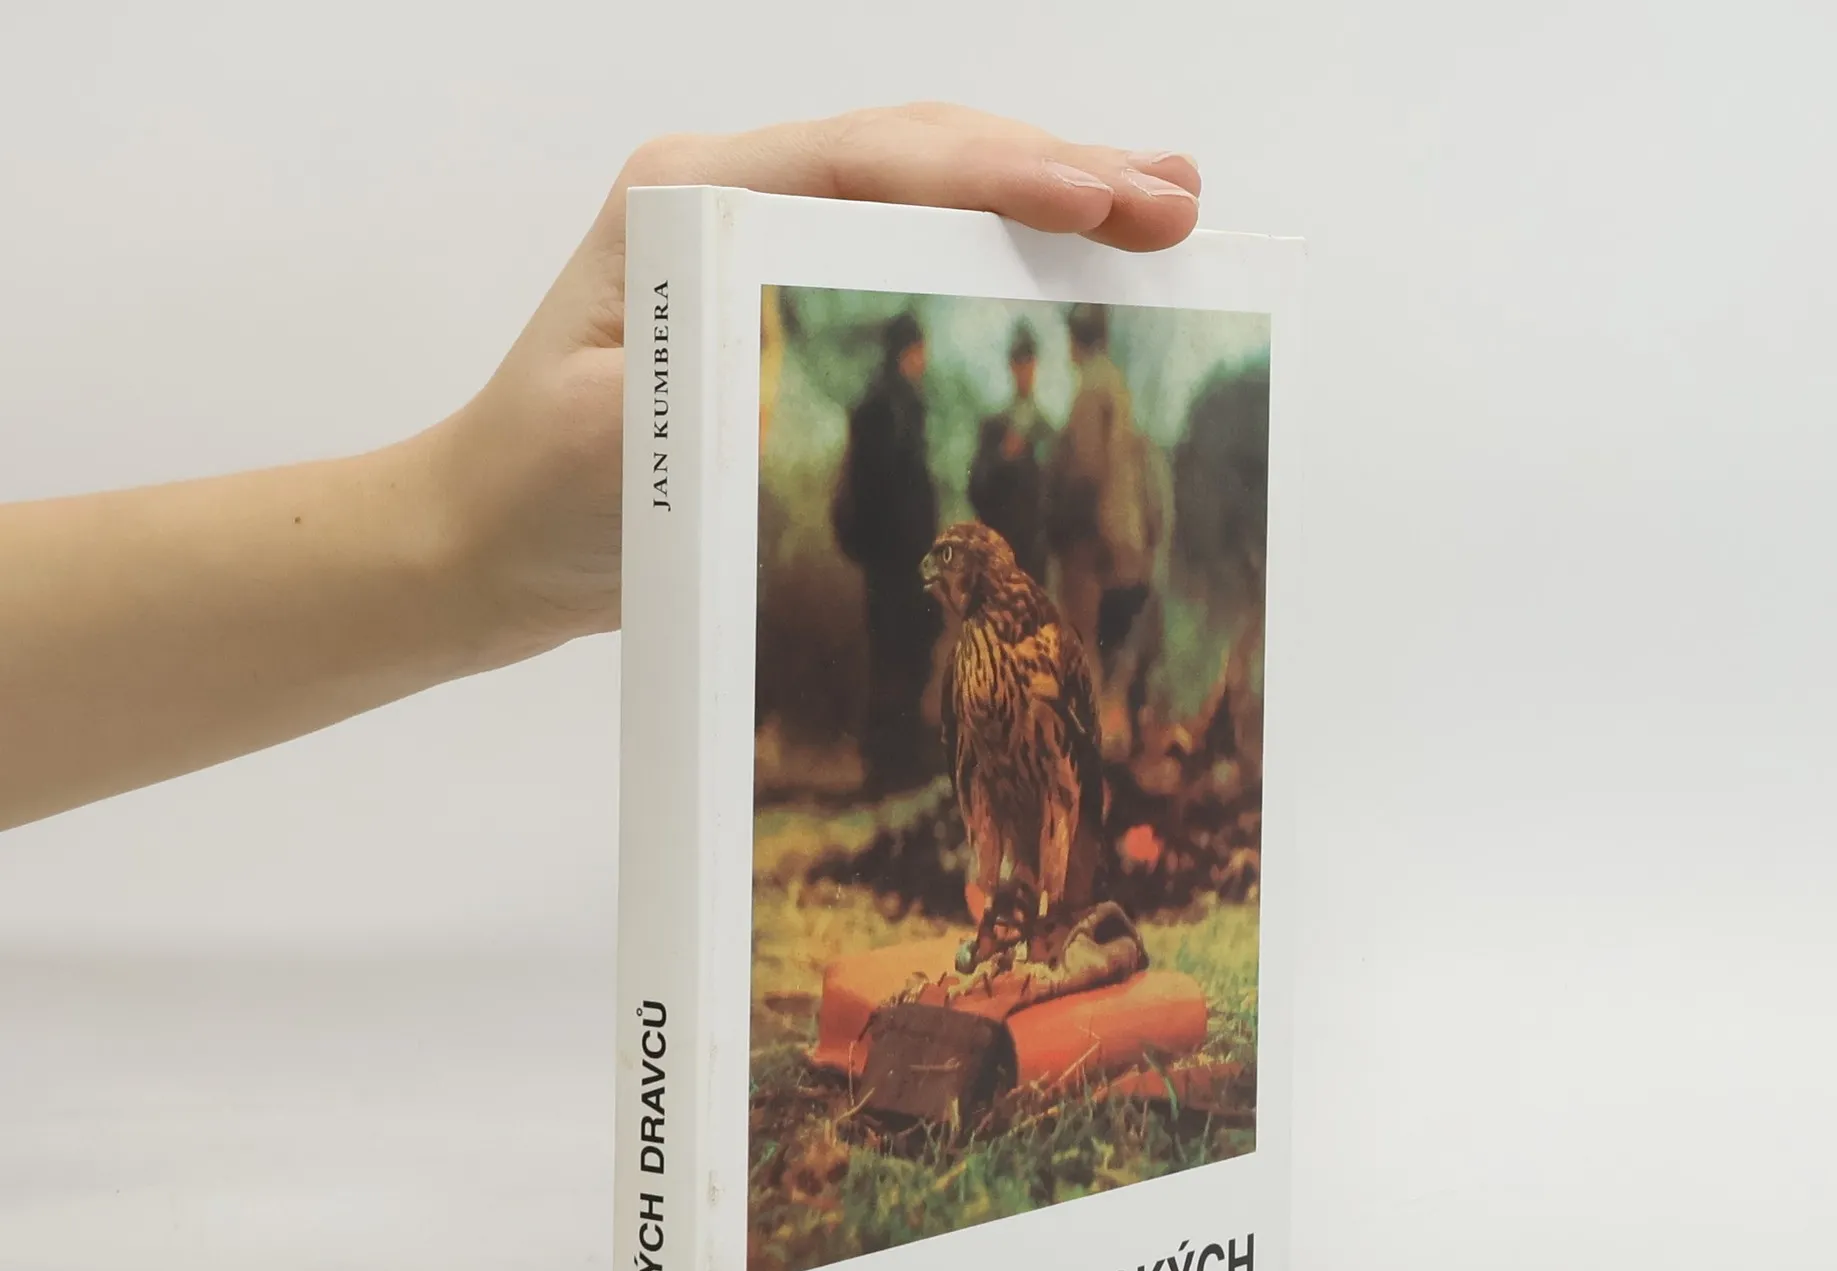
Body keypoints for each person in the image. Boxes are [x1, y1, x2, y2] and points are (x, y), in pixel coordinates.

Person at [0, 106, 1201, 832]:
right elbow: (944, 499)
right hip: (937, 573)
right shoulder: (932, 419)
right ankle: (906, 773)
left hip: (997, 574)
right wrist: (464, 537)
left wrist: (468, 542)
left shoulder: (1017, 418)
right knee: (923, 684)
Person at [1044, 300, 1168, 757]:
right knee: (1119, 653)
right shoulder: (1118, 387)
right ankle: (1122, 752)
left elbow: (1086, 469)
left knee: (1086, 651)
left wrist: (1058, 525)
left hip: (1094, 543)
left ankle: (1094, 756)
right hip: (1126, 542)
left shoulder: (1091, 390)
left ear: (1074, 341)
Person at [830, 311, 941, 795]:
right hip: (903, 555)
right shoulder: (899, 407)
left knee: (887, 655)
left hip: (882, 555)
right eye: (919, 350)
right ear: (908, 352)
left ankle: (884, 763)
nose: (924, 360)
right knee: (905, 655)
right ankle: (896, 764)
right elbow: (906, 490)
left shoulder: (873, 404)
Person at [966, 318, 1053, 580]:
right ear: (1010, 366)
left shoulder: (1046, 430)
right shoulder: (993, 427)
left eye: (1028, 362)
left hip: (1034, 558)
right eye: (1018, 362)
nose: (1024, 370)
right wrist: (1002, 457)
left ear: (1036, 365)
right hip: (999, 555)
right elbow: (976, 489)